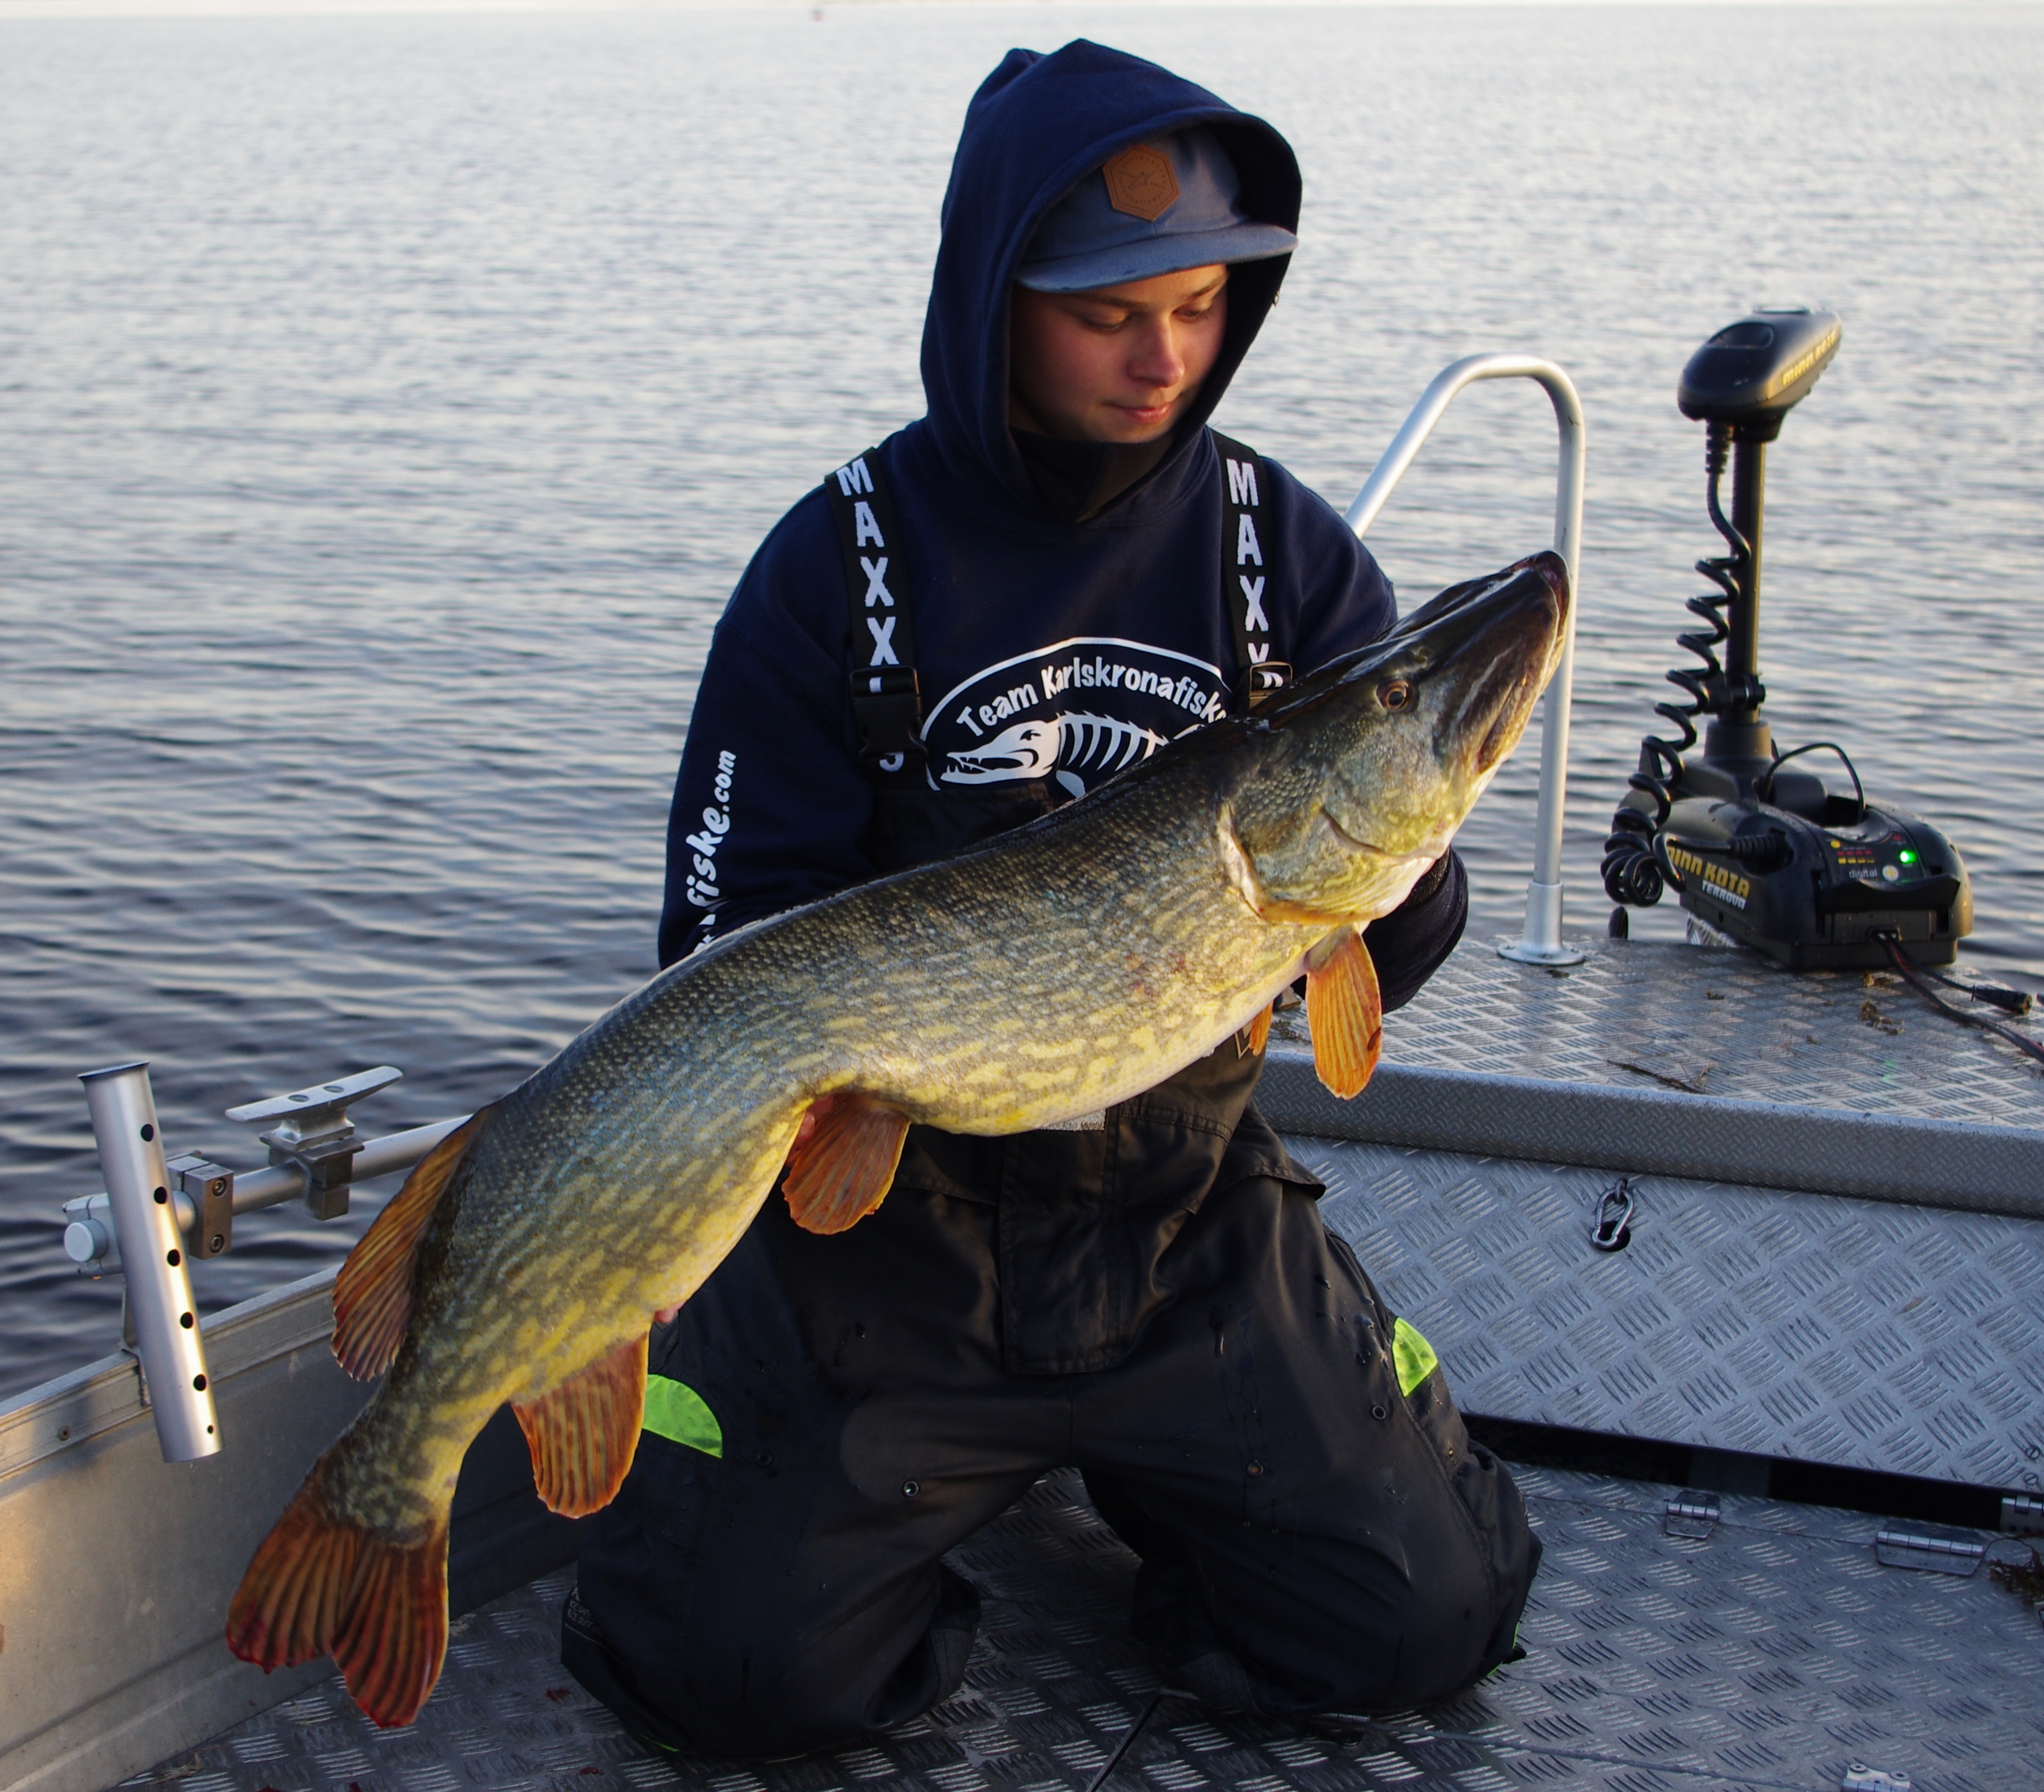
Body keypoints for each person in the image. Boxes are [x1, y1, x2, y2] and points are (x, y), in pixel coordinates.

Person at [561, 39, 1540, 1758]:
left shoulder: (1283, 556)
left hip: (1182, 1225)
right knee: (727, 1682)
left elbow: (1386, 959)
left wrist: (1399, 891)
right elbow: (727, 950)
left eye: (1199, 309)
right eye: (1109, 316)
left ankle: (1168, 1510)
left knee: (1421, 1616)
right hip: (894, 1261)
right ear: (994, 304)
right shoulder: (837, 569)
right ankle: (919, 1544)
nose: (1166, 358)